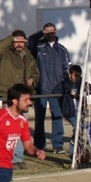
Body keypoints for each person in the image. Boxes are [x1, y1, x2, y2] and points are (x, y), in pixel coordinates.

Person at [0, 30, 40, 169]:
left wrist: (32, 80)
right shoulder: (5, 53)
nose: (19, 44)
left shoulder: (28, 55)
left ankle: (17, 158)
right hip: (8, 94)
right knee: (7, 127)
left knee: (20, 126)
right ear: (12, 41)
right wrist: (11, 38)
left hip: (23, 96)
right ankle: (5, 156)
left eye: (22, 42)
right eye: (17, 41)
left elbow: (36, 72)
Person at [28, 23, 70, 154]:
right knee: (39, 118)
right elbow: (29, 43)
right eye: (47, 33)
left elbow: (66, 69)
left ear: (56, 32)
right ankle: (40, 145)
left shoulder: (62, 50)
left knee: (57, 116)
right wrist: (40, 33)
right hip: (41, 89)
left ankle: (58, 145)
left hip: (57, 90)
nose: (50, 35)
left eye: (52, 32)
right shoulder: (38, 47)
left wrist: (65, 86)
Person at [53, 65, 91, 158]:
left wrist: (84, 87)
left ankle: (76, 152)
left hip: (80, 111)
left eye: (79, 76)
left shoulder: (81, 83)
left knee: (79, 131)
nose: (77, 78)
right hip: (70, 111)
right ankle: (73, 153)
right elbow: (55, 91)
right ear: (70, 75)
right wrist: (68, 91)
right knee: (78, 130)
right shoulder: (64, 84)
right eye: (75, 75)